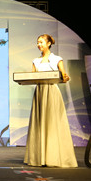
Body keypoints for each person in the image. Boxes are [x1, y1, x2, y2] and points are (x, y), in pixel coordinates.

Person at [24, 34, 77, 168]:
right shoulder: (36, 61)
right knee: (39, 123)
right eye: (38, 42)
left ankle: (53, 157)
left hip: (52, 91)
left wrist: (65, 77)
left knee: (53, 123)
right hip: (40, 92)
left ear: (48, 43)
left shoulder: (57, 59)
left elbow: (64, 77)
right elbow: (33, 77)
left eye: (41, 42)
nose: (39, 44)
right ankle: (39, 157)